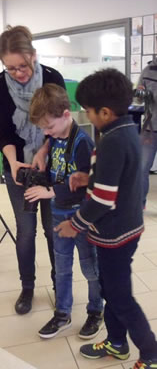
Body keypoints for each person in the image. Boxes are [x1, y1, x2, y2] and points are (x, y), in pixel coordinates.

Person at [57, 68, 157, 369]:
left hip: (115, 235)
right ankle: (116, 343)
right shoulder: (123, 130)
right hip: (124, 229)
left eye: (88, 110)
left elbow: (103, 199)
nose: (86, 115)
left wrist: (74, 225)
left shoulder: (113, 139)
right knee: (110, 290)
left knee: (120, 297)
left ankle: (151, 354)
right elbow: (117, 180)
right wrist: (88, 177)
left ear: (104, 111)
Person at [0, 25, 65, 315]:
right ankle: (28, 288)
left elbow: (59, 126)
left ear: (34, 55)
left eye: (23, 66)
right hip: (17, 167)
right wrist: (13, 162)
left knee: (53, 230)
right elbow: (3, 132)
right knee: (25, 231)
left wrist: (44, 151)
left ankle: (61, 286)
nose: (19, 73)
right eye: (11, 68)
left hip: (51, 166)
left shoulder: (53, 78)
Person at [24, 83, 103, 339]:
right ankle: (62, 314)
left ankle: (95, 310)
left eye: (49, 127)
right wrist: (43, 153)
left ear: (67, 115)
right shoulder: (55, 137)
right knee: (62, 266)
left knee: (90, 267)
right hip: (58, 213)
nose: (47, 133)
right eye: (43, 129)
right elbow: (52, 143)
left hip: (81, 216)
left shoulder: (83, 143)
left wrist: (51, 192)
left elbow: (85, 187)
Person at [137, 57, 157, 208]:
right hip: (150, 128)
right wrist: (140, 94)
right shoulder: (148, 70)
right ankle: (140, 204)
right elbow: (138, 100)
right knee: (141, 168)